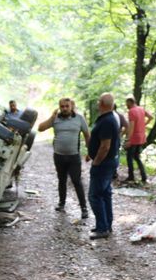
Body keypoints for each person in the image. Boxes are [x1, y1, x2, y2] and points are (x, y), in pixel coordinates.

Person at [38, 98, 90, 218]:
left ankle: (84, 208)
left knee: (76, 181)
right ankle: (62, 203)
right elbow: (40, 128)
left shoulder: (79, 118)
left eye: (67, 106)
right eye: (62, 106)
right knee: (61, 180)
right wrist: (51, 118)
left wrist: (89, 151)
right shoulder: (55, 118)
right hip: (59, 156)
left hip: (74, 156)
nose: (64, 108)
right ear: (59, 107)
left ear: (71, 106)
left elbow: (87, 135)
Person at [86, 93, 120, 239]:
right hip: (109, 162)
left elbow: (105, 146)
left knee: (95, 195)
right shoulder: (111, 117)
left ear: (101, 104)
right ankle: (106, 224)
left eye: (98, 101)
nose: (97, 103)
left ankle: (102, 228)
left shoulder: (107, 121)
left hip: (104, 164)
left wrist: (96, 161)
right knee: (105, 194)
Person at [124, 96, 152, 183]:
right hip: (141, 137)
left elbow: (131, 127)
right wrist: (144, 124)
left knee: (129, 157)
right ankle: (144, 176)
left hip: (134, 138)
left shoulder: (132, 111)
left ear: (130, 102)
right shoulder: (141, 109)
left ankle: (131, 176)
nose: (126, 105)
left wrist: (128, 139)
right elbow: (151, 117)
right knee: (136, 156)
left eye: (127, 103)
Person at [112, 103, 128, 179]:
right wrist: (121, 134)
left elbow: (127, 126)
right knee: (116, 154)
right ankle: (114, 171)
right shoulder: (120, 116)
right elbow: (127, 126)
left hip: (114, 138)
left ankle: (113, 171)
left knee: (113, 154)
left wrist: (121, 134)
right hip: (117, 138)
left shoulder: (116, 116)